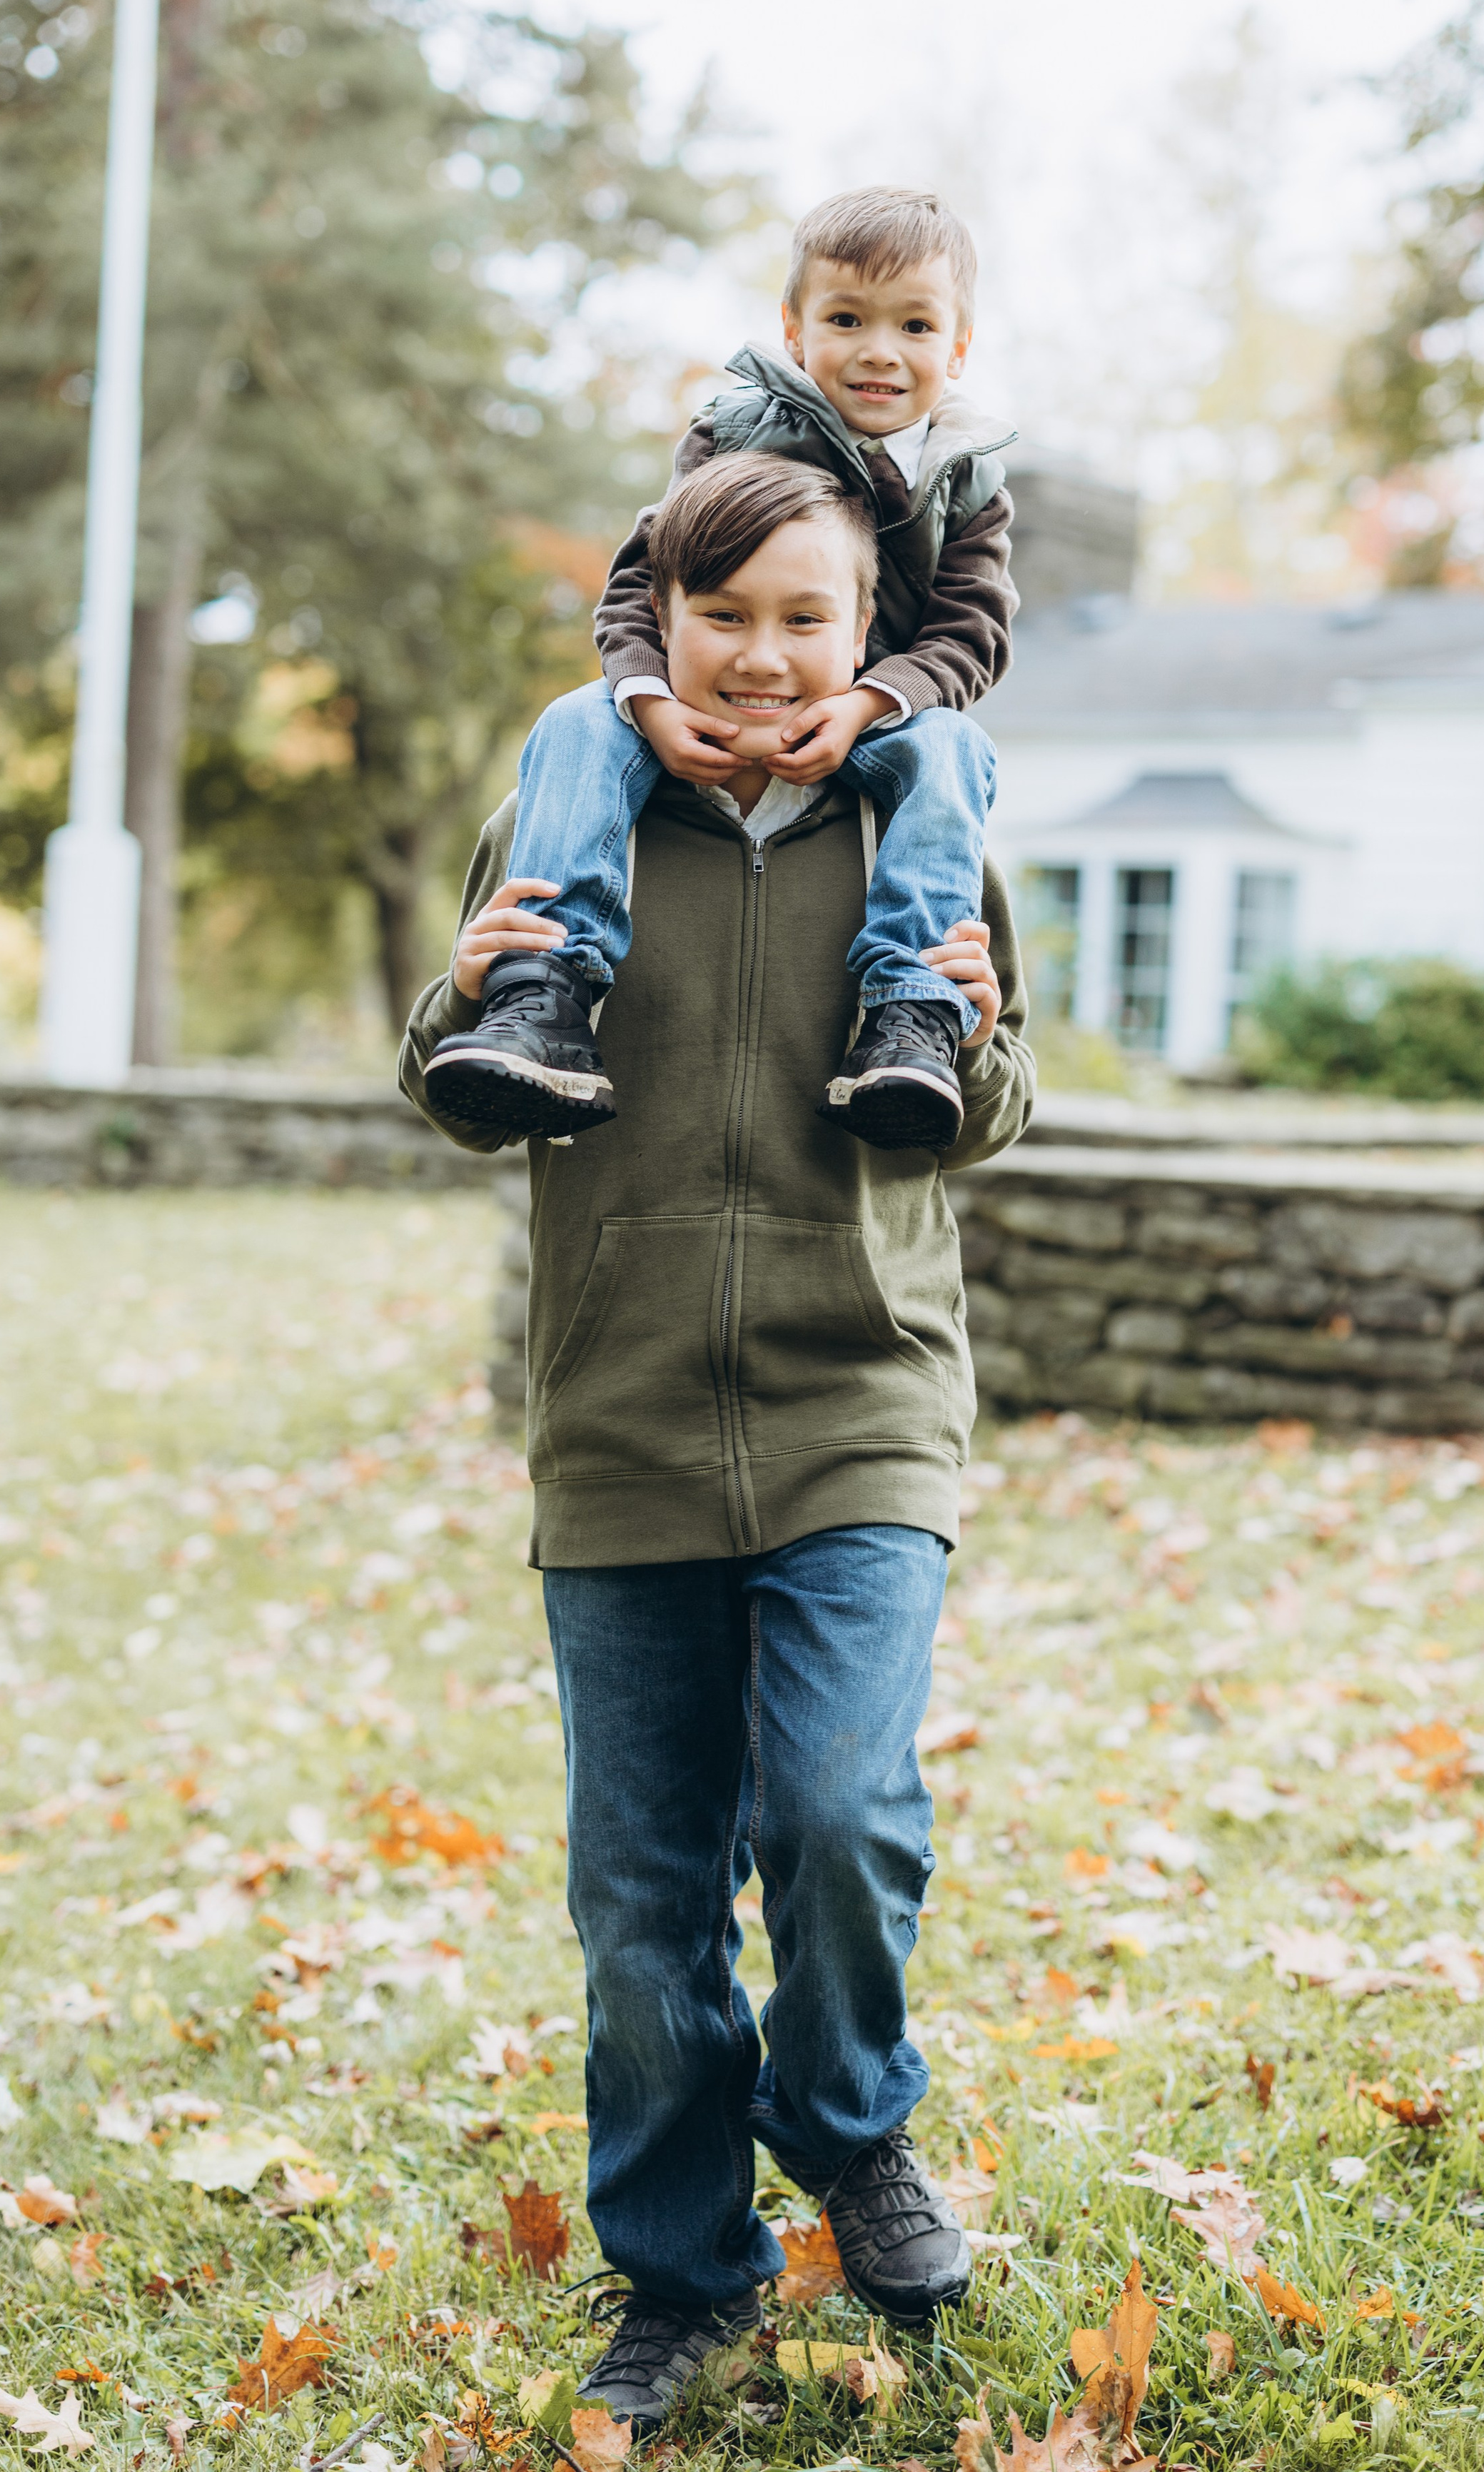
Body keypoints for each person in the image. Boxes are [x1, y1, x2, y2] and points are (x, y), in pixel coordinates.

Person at [399, 450, 1035, 2438]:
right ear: (658, 619)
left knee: (840, 1816)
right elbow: (464, 1076)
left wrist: (984, 1041)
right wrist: (462, 1000)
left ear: (870, 638)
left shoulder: (920, 808)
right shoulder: (571, 806)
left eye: (807, 619)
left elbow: (999, 1100)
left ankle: (851, 2130)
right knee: (641, 1902)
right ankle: (682, 2274)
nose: (764, 658)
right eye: (726, 614)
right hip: (625, 1414)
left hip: (864, 1401)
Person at [424, 184, 1016, 1158]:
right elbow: (635, 587)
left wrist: (870, 701)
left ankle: (912, 1015)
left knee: (954, 745)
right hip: (666, 729)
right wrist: (648, 704)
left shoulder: (969, 477)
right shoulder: (729, 433)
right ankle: (547, 993)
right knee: (579, 716)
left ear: (957, 348)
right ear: (793, 328)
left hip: (886, 723)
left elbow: (972, 633)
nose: (878, 349)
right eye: (845, 319)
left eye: (914, 324)